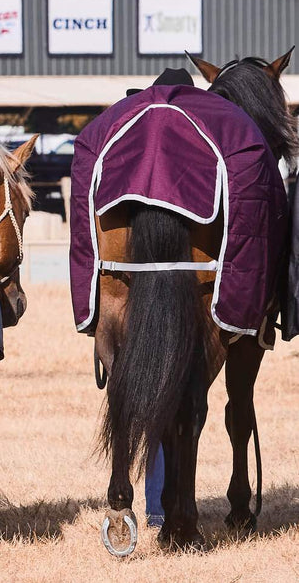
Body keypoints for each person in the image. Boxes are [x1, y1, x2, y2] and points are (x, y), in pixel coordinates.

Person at [126, 66, 196, 528]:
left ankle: (154, 506)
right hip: (187, 275)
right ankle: (165, 504)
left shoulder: (133, 146)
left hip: (135, 279)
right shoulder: (195, 149)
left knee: (150, 385)